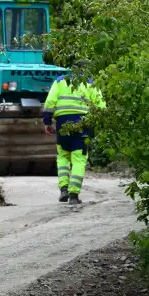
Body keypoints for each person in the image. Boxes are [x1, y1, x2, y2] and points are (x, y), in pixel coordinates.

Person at [42, 67, 105, 204]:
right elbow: (100, 105)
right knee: (79, 159)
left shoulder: (60, 81)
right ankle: (74, 195)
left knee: (63, 156)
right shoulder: (90, 83)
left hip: (62, 122)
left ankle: (63, 189)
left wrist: (47, 122)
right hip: (83, 123)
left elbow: (50, 102)